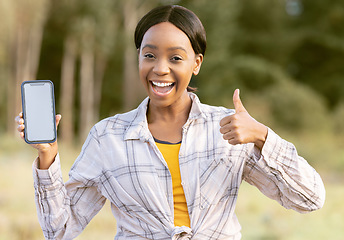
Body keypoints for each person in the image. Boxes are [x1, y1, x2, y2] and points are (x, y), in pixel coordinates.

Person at [15, 5, 325, 240]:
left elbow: (309, 198)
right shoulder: (107, 137)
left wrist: (261, 135)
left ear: (196, 63)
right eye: (149, 56)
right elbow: (60, 229)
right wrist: (48, 157)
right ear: (139, 58)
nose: (160, 69)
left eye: (175, 58)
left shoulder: (229, 130)